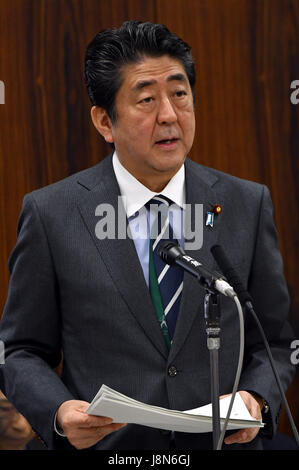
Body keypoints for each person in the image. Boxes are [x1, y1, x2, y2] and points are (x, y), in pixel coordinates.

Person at [0, 20, 295, 451]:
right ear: (104, 121)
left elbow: (278, 341)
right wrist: (61, 413)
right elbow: (21, 349)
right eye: (146, 99)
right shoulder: (52, 213)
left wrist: (257, 398)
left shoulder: (244, 204)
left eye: (179, 94)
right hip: (110, 451)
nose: (170, 115)